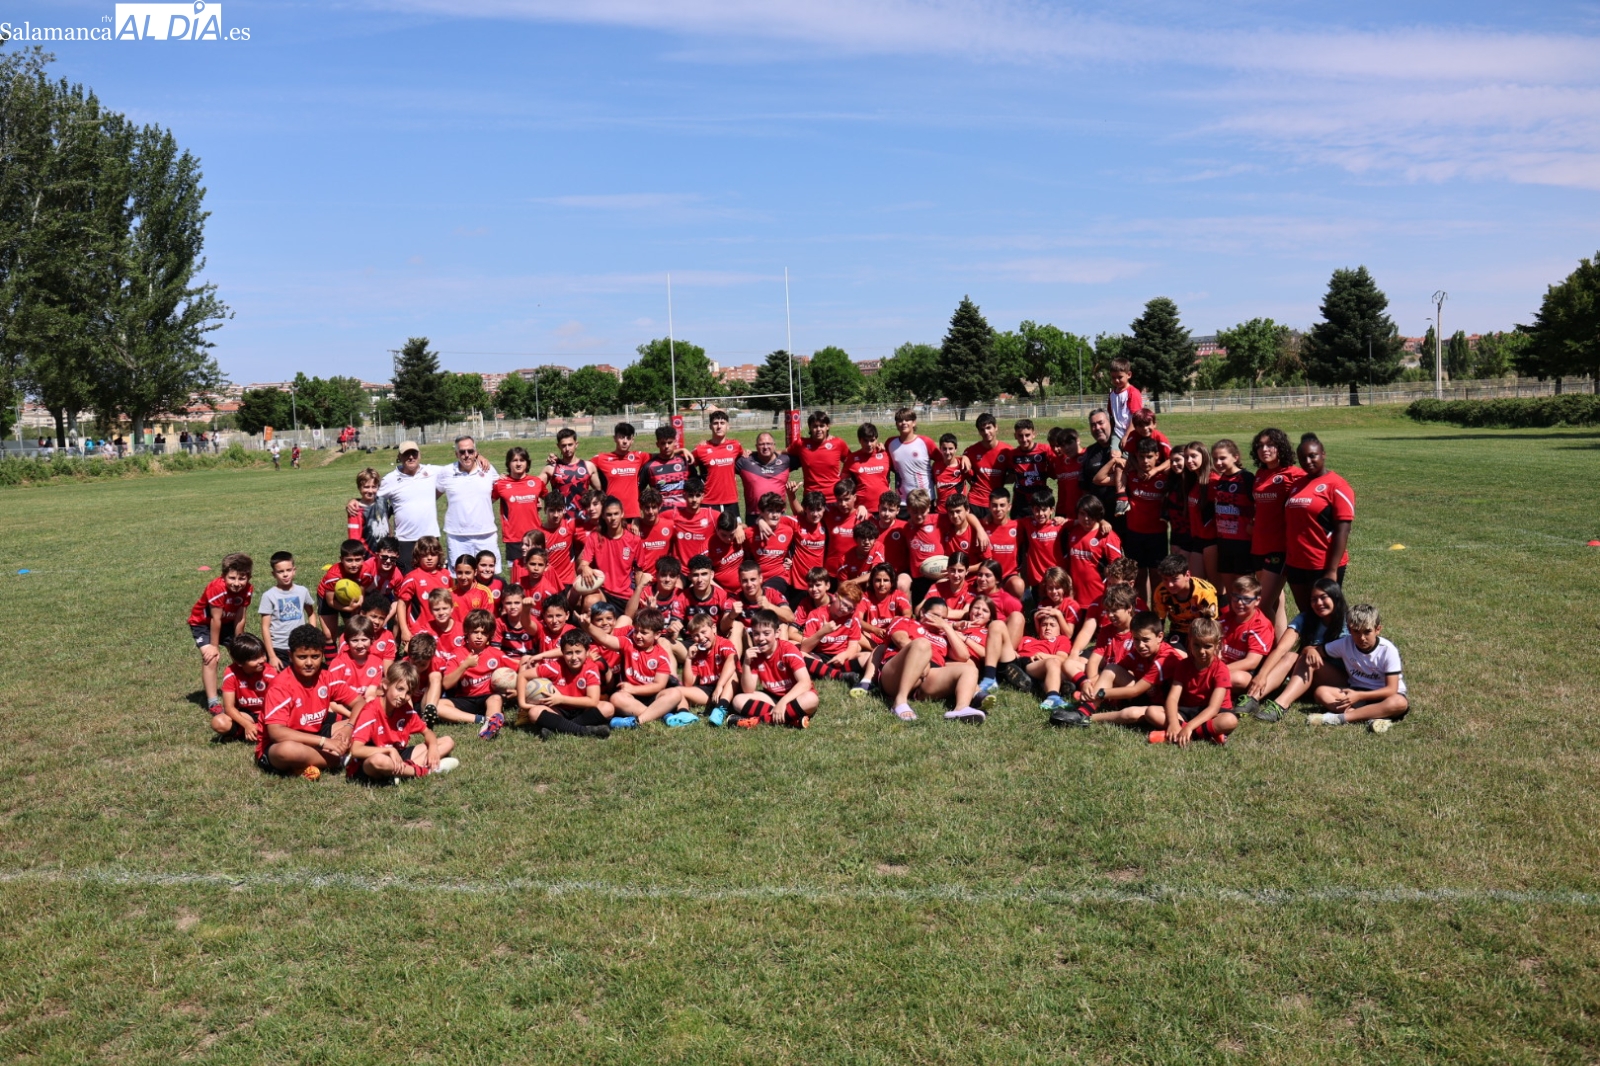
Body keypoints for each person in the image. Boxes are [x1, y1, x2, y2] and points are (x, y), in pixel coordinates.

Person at [257, 624, 364, 777]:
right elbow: (276, 732)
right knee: (287, 751)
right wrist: (324, 742)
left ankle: (321, 756)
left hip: (316, 731)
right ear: (290, 655)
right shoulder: (280, 686)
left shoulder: (325, 677)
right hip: (280, 744)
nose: (309, 663)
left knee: (367, 720)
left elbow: (360, 702)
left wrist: (348, 727)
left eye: (315, 657)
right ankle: (338, 760)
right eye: (302, 657)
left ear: (322, 655)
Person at [1236, 578, 1348, 723]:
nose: (1318, 603)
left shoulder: (1347, 622)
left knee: (1307, 659)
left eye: (1323, 597)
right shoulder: (1306, 618)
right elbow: (1281, 649)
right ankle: (1252, 698)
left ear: (1335, 597)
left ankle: (1280, 705)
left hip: (1339, 682)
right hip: (1307, 680)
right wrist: (1261, 675)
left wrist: (1310, 649)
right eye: (1314, 599)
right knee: (1290, 656)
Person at [874, 597, 984, 723]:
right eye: (936, 616)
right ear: (922, 612)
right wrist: (923, 661)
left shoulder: (943, 634)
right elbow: (900, 640)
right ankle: (899, 701)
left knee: (969, 669)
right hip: (895, 674)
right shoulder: (904, 621)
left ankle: (961, 708)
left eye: (943, 618)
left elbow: (964, 656)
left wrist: (947, 628)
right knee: (922, 644)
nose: (939, 621)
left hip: (927, 678)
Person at [347, 661, 459, 781]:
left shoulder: (405, 710)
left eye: (408, 693)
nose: (402, 696)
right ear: (385, 684)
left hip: (398, 754)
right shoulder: (370, 712)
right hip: (371, 761)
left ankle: (400, 773)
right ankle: (423, 771)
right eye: (399, 689)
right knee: (379, 760)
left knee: (448, 741)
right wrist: (389, 750)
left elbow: (427, 732)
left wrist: (433, 748)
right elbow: (356, 750)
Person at [1283, 433, 1355, 620]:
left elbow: (1343, 529)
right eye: (1303, 458)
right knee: (1307, 614)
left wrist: (1331, 571)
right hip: (1296, 563)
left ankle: (1336, 648)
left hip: (1322, 563)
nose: (1308, 461)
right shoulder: (1297, 485)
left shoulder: (1337, 485)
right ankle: (1310, 647)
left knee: (1329, 615)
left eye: (1312, 455)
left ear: (1323, 454)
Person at [1308, 603, 1408, 731]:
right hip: (1356, 693)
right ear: (1349, 630)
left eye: (1367, 632)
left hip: (1384, 696)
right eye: (1356, 631)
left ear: (1378, 629)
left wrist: (1359, 696)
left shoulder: (1388, 650)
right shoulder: (1345, 643)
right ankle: (1373, 717)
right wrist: (1309, 650)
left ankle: (1340, 718)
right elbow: (1316, 650)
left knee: (1400, 703)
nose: (1362, 638)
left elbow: (1391, 690)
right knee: (1321, 692)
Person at [1138, 617, 1237, 746]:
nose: (1201, 651)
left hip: (1213, 714)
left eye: (1207, 646)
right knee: (1151, 712)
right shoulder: (1183, 665)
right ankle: (1206, 734)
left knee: (1230, 720)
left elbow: (1213, 708)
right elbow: (1172, 698)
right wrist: (1173, 723)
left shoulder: (1221, 669)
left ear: (1217, 645)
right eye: (1196, 645)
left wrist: (1188, 727)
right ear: (1190, 641)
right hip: (1188, 710)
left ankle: (1178, 735)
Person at [1249, 427, 1304, 636]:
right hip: (1258, 545)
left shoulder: (1294, 475)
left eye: (1270, 445)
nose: (1265, 449)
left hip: (1279, 548)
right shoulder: (1260, 474)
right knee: (1275, 603)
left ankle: (1273, 650)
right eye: (1260, 446)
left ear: (1280, 447)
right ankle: (1276, 648)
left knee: (1261, 605)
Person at [588, 608, 682, 728]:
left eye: (644, 632)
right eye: (636, 631)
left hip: (652, 696)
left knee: (675, 693)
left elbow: (659, 685)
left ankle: (636, 722)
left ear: (657, 634)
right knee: (616, 698)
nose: (638, 636)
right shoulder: (628, 643)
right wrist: (588, 626)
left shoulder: (661, 655)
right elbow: (605, 639)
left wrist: (633, 689)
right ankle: (660, 715)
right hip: (630, 698)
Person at [188, 552, 254, 713]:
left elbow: (240, 618)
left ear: (249, 577)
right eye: (232, 578)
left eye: (242, 578)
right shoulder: (217, 588)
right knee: (211, 658)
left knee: (243, 657)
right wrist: (214, 646)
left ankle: (246, 694)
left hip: (228, 623)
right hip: (203, 624)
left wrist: (239, 642)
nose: (237, 583)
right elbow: (215, 620)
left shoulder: (248, 590)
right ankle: (213, 702)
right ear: (224, 576)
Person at [730, 610, 818, 728]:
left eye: (766, 633)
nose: (761, 638)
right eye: (756, 633)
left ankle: (758, 720)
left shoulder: (788, 650)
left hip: (796, 696)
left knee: (811, 699)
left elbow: (805, 683)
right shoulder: (756, 654)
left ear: (777, 633)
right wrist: (746, 663)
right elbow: (748, 689)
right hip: (772, 697)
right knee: (738, 700)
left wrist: (783, 702)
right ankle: (791, 720)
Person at [518, 629, 614, 738]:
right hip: (558, 710)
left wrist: (561, 698)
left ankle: (557, 728)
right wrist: (522, 703)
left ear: (587, 652)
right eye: (569, 653)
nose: (574, 657)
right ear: (562, 653)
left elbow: (592, 701)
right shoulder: (556, 667)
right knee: (534, 712)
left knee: (608, 708)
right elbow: (523, 675)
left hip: (582, 709)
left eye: (578, 652)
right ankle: (584, 730)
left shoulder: (591, 668)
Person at [436, 609, 511, 738]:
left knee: (496, 698)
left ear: (489, 635)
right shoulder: (457, 654)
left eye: (484, 633)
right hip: (465, 699)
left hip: (487, 697)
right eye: (475, 632)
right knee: (437, 706)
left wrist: (514, 690)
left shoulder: (496, 654)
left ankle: (489, 727)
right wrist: (464, 665)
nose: (479, 636)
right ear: (466, 632)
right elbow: (446, 684)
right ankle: (484, 720)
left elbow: (516, 670)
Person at [1210, 439, 1255, 595]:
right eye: (1215, 459)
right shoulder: (1220, 480)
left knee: (1244, 592)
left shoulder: (1246, 478)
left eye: (1223, 458)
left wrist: (1253, 523)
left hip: (1243, 544)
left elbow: (1260, 505)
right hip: (1223, 543)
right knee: (1230, 594)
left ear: (1235, 457)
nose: (1218, 462)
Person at [679, 612, 740, 726]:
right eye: (696, 635)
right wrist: (688, 659)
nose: (701, 638)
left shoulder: (723, 643)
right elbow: (688, 684)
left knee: (734, 673)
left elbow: (732, 661)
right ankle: (684, 715)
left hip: (728, 687)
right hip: (708, 690)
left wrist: (720, 686)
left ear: (713, 628)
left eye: (703, 632)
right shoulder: (697, 652)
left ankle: (720, 709)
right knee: (678, 691)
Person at [258, 551, 315, 670]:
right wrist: (272, 656)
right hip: (279, 647)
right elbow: (265, 627)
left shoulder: (302, 591)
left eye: (288, 570)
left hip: (300, 645)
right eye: (280, 571)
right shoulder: (269, 596)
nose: (285, 574)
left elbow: (311, 613)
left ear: (294, 570)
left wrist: (311, 633)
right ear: (273, 574)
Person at [1219, 575, 1274, 693]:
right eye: (1236, 597)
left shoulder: (1260, 625)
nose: (1239, 602)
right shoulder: (1226, 618)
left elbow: (1251, 662)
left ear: (1257, 600)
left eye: (1246, 599)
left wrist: (1218, 669)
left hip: (1245, 672)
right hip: (1222, 663)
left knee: (1236, 678)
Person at [215, 633, 275, 742]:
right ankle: (250, 731)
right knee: (219, 722)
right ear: (239, 662)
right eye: (255, 658)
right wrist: (247, 725)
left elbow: (278, 705)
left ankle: (254, 732)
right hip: (247, 715)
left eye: (263, 654)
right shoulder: (231, 673)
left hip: (268, 714)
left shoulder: (271, 674)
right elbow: (229, 707)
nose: (262, 660)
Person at [492, 446, 545, 568]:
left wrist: (539, 503)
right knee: (517, 577)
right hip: (513, 538)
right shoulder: (501, 484)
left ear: (527, 463)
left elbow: (550, 500)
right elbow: (486, 502)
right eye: (514, 460)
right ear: (508, 463)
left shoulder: (536, 482)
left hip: (535, 536)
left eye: (522, 460)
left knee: (537, 572)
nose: (518, 463)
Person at [1152, 552, 1218, 646]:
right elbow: (1159, 621)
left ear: (1187, 575)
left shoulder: (1205, 592)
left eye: (1174, 579)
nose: (1169, 585)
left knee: (1198, 654)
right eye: (1165, 579)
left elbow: (1210, 625)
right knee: (1175, 656)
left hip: (1202, 632)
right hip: (1178, 630)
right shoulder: (1161, 591)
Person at [394, 536, 451, 641]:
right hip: (419, 630)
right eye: (424, 555)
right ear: (417, 556)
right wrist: (405, 630)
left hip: (443, 628)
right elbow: (402, 604)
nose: (429, 558)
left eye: (433, 554)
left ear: (439, 555)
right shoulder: (412, 577)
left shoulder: (446, 575)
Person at [1177, 441, 1218, 586]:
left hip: (1212, 542)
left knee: (1216, 589)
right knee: (1196, 587)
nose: (1189, 461)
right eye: (1186, 457)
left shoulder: (1213, 481)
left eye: (1194, 456)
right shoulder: (1193, 481)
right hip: (1197, 540)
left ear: (1204, 456)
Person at [692, 409, 744, 520]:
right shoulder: (701, 449)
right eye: (715, 423)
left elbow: (742, 457)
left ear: (728, 426)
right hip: (708, 501)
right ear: (710, 426)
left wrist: (747, 452)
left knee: (735, 534)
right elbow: (687, 467)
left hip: (731, 501)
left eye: (722, 423)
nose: (719, 426)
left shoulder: (735, 446)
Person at [592, 422, 650, 520]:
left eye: (628, 438)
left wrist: (681, 450)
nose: (625, 441)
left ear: (632, 440)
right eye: (621, 437)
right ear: (615, 438)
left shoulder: (639, 457)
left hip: (633, 515)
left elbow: (662, 455)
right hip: (611, 514)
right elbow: (580, 466)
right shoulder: (602, 458)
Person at [788, 410, 849, 500]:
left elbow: (852, 462)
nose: (818, 429)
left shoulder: (838, 443)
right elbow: (782, 453)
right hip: (811, 499)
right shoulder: (801, 444)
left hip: (834, 498)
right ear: (810, 427)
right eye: (815, 426)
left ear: (827, 426)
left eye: (822, 426)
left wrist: (844, 476)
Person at [735, 431, 795, 521]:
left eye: (769, 444)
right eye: (761, 444)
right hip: (754, 515)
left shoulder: (786, 460)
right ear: (756, 446)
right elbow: (724, 462)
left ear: (774, 445)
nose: (766, 447)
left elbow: (806, 455)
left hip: (779, 513)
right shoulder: (745, 461)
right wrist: (740, 452)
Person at [885, 407, 937, 505]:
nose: (904, 423)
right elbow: (887, 464)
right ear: (896, 424)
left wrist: (963, 458)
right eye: (900, 420)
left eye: (907, 419)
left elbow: (944, 460)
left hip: (925, 499)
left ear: (914, 422)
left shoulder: (925, 442)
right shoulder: (890, 443)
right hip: (902, 501)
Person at [962, 413, 1009, 519]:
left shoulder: (1007, 451)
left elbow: (1015, 473)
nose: (986, 432)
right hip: (974, 501)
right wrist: (964, 456)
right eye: (982, 429)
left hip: (995, 503)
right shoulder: (971, 451)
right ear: (979, 431)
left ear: (996, 427)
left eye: (989, 428)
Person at [1079, 410, 1120, 529]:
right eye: (1093, 425)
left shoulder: (1124, 447)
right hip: (1099, 519)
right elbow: (1085, 489)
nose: (1097, 428)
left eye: (1100, 423)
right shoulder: (1089, 453)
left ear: (1110, 423)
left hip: (1126, 517)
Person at [544, 428, 600, 515]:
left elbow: (600, 493)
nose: (567, 448)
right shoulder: (552, 468)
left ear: (576, 444)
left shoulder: (588, 466)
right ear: (558, 446)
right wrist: (550, 500)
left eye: (570, 445)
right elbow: (536, 488)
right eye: (563, 445)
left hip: (584, 518)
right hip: (560, 519)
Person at [1004, 418, 1052, 518]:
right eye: (1020, 436)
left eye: (1027, 435)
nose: (1024, 439)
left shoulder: (1045, 450)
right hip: (1020, 502)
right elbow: (1011, 476)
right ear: (1015, 436)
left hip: (1040, 501)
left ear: (1034, 434)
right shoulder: (1012, 455)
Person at [641, 424, 692, 508]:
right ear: (657, 444)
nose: (666, 446)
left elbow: (696, 487)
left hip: (684, 513)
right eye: (663, 443)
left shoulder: (685, 462)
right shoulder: (649, 467)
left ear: (675, 442)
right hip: (661, 514)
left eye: (669, 442)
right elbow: (639, 491)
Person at [846, 423, 893, 508]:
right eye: (865, 440)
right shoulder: (851, 459)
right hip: (862, 509)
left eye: (872, 440)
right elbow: (844, 484)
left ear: (877, 439)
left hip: (885, 508)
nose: (869, 444)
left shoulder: (885, 454)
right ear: (859, 440)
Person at [1106, 356, 1143, 443]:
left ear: (1129, 375)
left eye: (1120, 377)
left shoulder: (1132, 393)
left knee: (1128, 455)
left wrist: (1127, 435)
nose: (1117, 380)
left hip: (1132, 433)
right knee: (1113, 454)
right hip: (1117, 432)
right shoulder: (1112, 395)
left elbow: (1136, 417)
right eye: (1113, 377)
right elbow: (1111, 416)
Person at [931, 433, 971, 512]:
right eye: (944, 449)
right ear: (940, 449)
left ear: (956, 449)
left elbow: (974, 483)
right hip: (941, 511)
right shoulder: (936, 466)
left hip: (958, 511)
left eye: (950, 448)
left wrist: (965, 457)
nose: (947, 452)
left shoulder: (962, 465)